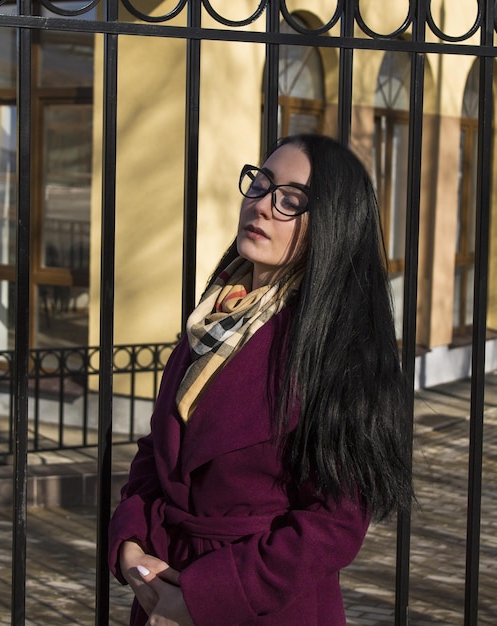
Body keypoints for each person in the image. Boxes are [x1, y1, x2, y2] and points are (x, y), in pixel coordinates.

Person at [108, 134, 413, 626]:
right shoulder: (215, 318)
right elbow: (159, 453)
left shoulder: (339, 350)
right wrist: (131, 544)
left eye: (290, 199)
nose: (263, 206)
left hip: (258, 606)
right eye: (261, 185)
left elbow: (334, 523)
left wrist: (205, 599)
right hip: (161, 589)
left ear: (330, 225)